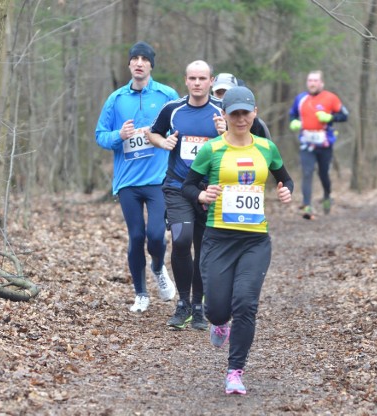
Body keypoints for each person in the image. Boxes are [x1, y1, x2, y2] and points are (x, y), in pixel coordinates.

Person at [182, 86, 294, 395]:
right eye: (235, 113)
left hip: (254, 240)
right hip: (218, 238)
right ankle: (219, 323)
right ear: (224, 115)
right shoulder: (212, 149)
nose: (241, 118)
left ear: (255, 113)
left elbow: (285, 177)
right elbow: (187, 187)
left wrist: (286, 190)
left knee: (245, 303)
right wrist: (202, 194)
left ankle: (235, 371)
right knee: (216, 309)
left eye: (246, 112)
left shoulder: (266, 148)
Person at [95, 41, 178, 313]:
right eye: (135, 59)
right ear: (129, 64)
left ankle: (157, 266)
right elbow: (100, 135)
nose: (139, 63)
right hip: (128, 181)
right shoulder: (116, 99)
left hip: (157, 179)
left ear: (151, 64)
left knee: (156, 235)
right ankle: (141, 294)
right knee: (136, 236)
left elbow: (181, 128)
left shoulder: (167, 95)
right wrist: (119, 136)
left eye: (145, 59)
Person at [149, 60, 222, 330]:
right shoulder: (173, 109)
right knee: (181, 241)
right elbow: (152, 134)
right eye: (192, 78)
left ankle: (200, 306)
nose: (197, 83)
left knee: (204, 249)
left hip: (210, 190)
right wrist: (163, 141)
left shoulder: (221, 111)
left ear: (211, 81)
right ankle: (183, 304)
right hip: (178, 186)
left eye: (202, 78)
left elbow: (245, 139)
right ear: (185, 80)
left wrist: (225, 134)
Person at [289, 70, 349, 219]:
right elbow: (292, 114)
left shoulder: (331, 98)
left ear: (321, 83)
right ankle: (307, 206)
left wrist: (330, 117)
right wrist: (294, 122)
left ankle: (327, 195)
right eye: (310, 80)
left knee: (323, 174)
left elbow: (344, 116)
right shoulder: (300, 99)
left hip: (325, 144)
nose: (312, 83)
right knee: (307, 172)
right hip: (306, 142)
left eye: (315, 80)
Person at [212, 72, 272, 139]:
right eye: (219, 93)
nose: (223, 98)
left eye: (228, 92)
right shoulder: (208, 116)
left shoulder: (255, 123)